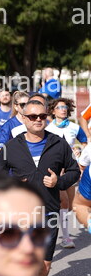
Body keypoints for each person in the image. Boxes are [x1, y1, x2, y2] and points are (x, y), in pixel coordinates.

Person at [0, 100, 80, 276]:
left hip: (49, 213)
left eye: (42, 116)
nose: (38, 119)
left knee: (44, 265)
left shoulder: (59, 144)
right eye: (33, 116)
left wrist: (59, 181)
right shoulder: (11, 147)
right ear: (24, 118)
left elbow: (74, 171)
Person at [45, 98, 87, 249]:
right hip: (54, 169)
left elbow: (85, 144)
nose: (63, 110)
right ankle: (66, 237)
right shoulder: (48, 129)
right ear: (53, 111)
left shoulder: (75, 128)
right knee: (63, 201)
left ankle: (56, 219)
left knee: (69, 205)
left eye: (65, 107)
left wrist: (79, 152)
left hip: (70, 169)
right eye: (59, 107)